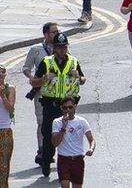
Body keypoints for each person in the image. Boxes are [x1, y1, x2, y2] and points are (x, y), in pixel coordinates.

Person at [31, 32, 86, 178]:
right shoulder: (46, 62)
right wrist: (43, 78)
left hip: (68, 105)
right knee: (49, 136)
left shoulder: (74, 61)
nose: (62, 50)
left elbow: (83, 79)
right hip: (51, 104)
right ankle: (47, 160)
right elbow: (33, 82)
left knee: (67, 136)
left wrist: (78, 77)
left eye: (64, 47)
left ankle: (64, 170)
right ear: (53, 48)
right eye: (59, 47)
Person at [23, 22, 59, 165]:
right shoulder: (36, 49)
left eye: (57, 31)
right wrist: (32, 78)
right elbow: (26, 67)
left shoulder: (62, 48)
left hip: (58, 91)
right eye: (53, 32)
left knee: (59, 121)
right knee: (42, 121)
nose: (57, 34)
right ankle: (42, 151)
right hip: (41, 91)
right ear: (45, 34)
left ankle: (58, 150)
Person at [51, 96, 94, 188]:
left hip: (78, 159)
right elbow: (55, 143)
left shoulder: (82, 121)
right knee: (65, 185)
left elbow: (91, 139)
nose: (68, 110)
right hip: (63, 159)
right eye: (65, 108)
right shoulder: (57, 122)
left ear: (75, 107)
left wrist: (91, 148)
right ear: (61, 108)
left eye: (70, 107)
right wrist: (63, 127)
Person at [0, 64, 14, 187]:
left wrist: (3, 96)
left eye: (2, 72)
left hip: (4, 130)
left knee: (3, 165)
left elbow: (11, 109)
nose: (0, 75)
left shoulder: (10, 88)